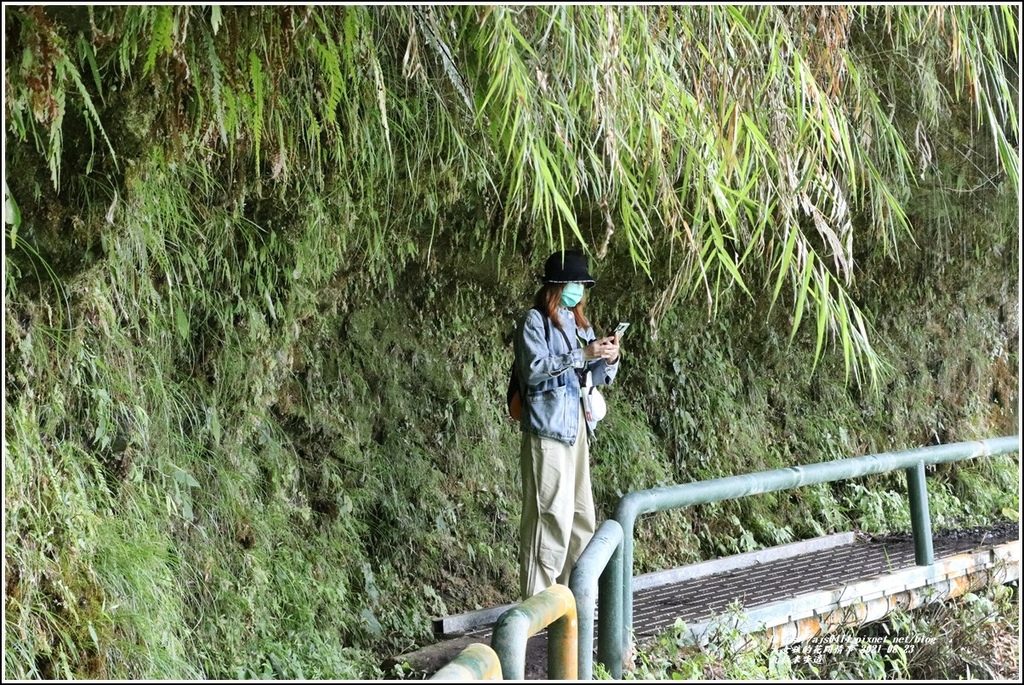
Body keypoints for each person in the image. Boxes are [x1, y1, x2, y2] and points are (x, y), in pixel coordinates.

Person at [514, 249, 621, 599]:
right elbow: (533, 371)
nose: (580, 290)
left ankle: (571, 603)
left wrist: (608, 356)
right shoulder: (535, 321)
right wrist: (582, 354)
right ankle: (536, 609)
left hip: (576, 430)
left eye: (583, 284)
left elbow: (594, 377)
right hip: (546, 430)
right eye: (576, 282)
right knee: (549, 520)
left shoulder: (580, 325)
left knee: (581, 518)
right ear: (558, 285)